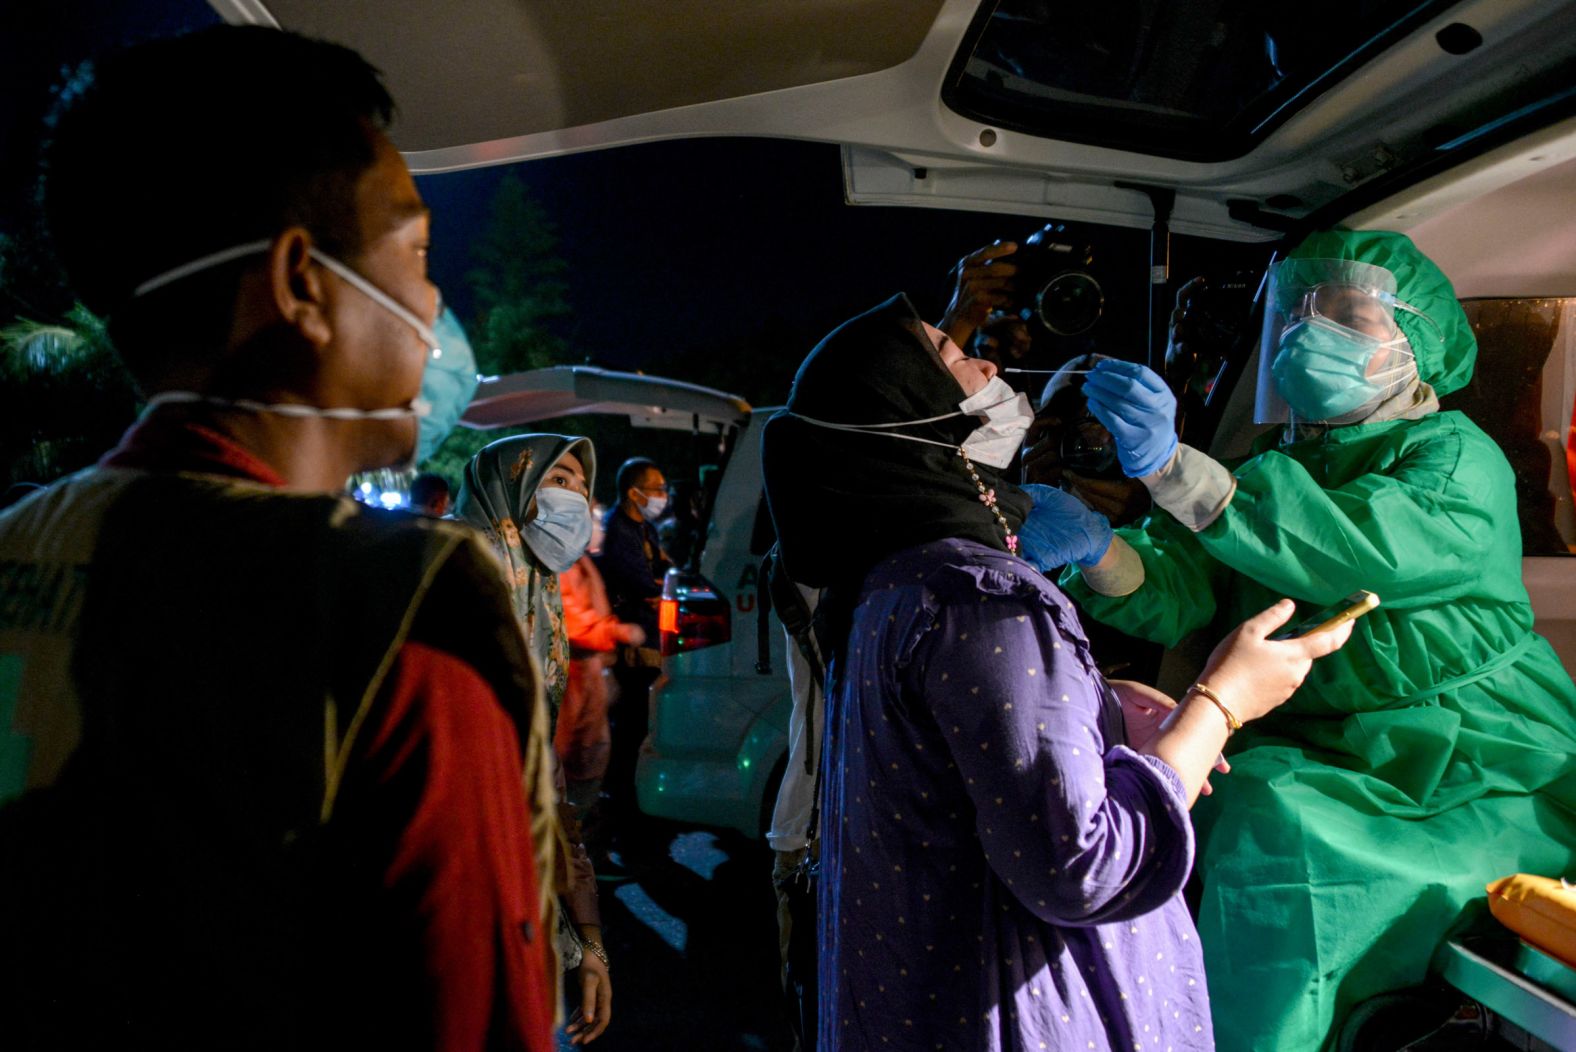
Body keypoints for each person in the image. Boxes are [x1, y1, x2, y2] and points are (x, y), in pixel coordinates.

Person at [0, 25, 555, 1050]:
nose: (434, 304)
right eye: (418, 253)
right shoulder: (395, 614)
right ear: (303, 282)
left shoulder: (15, 547)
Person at [760, 293, 1350, 1051]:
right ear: (913, 411)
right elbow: (1086, 867)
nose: (989, 363)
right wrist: (1222, 702)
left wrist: (1092, 706)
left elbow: (950, 741)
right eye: (950, 354)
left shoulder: (889, 585)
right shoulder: (983, 598)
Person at [1059, 229, 1576, 1050]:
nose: (1308, 332)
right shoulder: (1276, 458)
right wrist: (1102, 552)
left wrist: (1172, 471)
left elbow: (1352, 548)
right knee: (1224, 807)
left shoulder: (1452, 457)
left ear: (1418, 343)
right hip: (1324, 744)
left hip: (1475, 750)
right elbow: (1195, 585)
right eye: (1296, 312)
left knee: (1289, 838)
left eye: (1346, 314)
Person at [455, 433, 613, 1045]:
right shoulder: (463, 570)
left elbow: (545, 787)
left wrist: (589, 939)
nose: (574, 500)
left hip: (523, 894)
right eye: (559, 480)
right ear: (512, 482)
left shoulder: (538, 593)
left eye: (580, 486)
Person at [593, 456, 672, 832]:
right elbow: (642, 582)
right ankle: (619, 800)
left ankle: (627, 795)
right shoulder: (618, 530)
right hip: (631, 640)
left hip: (649, 633)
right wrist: (655, 590)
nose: (662, 495)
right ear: (633, 492)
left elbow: (662, 573)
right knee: (630, 722)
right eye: (656, 488)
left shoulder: (645, 529)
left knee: (641, 719)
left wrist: (658, 589)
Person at [558, 504, 646, 818]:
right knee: (572, 766)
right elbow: (572, 624)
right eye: (592, 520)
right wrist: (621, 632)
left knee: (586, 762)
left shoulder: (576, 560)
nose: (598, 526)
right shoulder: (563, 564)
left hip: (587, 676)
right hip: (574, 680)